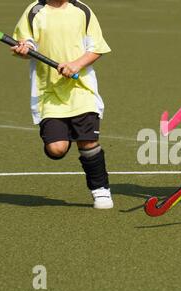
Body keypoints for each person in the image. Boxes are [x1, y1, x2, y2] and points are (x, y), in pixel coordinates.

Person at [12, 0, 113, 209]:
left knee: (87, 142)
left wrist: (76, 64)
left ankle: (100, 190)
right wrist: (24, 49)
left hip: (81, 89)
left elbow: (97, 48)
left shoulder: (82, 11)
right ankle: (58, 138)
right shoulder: (34, 11)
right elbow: (25, 42)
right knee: (56, 149)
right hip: (48, 91)